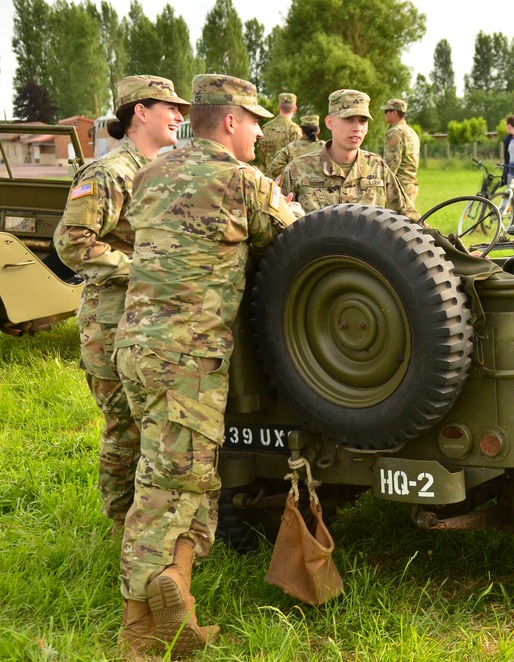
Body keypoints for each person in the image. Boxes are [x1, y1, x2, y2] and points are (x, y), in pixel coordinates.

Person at [113, 74, 301, 656]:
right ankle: (137, 629)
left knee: (191, 478)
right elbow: (295, 236)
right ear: (228, 122)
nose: (260, 131)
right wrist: (288, 207)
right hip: (186, 359)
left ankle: (177, 602)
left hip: (136, 349)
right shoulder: (241, 181)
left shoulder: (149, 173)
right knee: (163, 488)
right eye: (254, 121)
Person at [53, 75, 190, 538]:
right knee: (125, 427)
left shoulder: (161, 171)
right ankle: (120, 523)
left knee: (154, 423)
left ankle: (149, 521)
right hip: (110, 321)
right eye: (169, 107)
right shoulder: (108, 174)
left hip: (151, 321)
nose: (178, 116)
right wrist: (139, 268)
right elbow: (71, 243)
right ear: (139, 112)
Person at [279, 89, 419, 221]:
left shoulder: (377, 168)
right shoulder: (297, 171)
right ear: (329, 122)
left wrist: (436, 243)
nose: (357, 128)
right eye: (349, 119)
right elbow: (278, 227)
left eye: (362, 121)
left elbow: (409, 218)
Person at [381, 98, 421, 204]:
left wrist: (383, 185)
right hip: (410, 185)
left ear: (394, 113)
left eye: (386, 111)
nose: (384, 114)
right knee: (407, 218)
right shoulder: (411, 132)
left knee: (393, 219)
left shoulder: (395, 132)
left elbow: (392, 163)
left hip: (399, 186)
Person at [267, 114, 323, 179]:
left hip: (297, 187)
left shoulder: (291, 147)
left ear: (301, 131)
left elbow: (274, 168)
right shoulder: (325, 147)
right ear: (318, 131)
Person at [257, 91, 302, 168]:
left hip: (269, 176)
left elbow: (261, 154)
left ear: (279, 108)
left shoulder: (266, 127)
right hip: (287, 176)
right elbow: (297, 156)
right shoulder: (295, 129)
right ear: (295, 109)